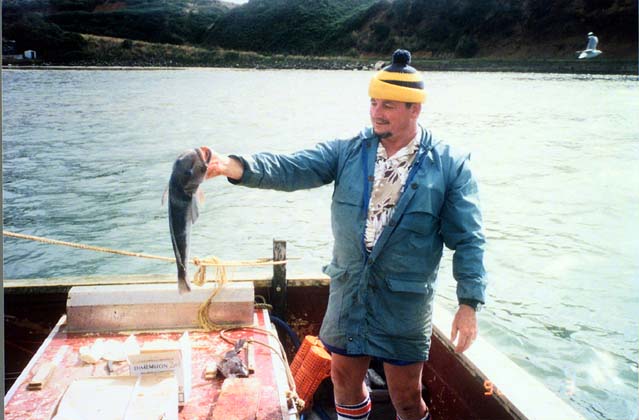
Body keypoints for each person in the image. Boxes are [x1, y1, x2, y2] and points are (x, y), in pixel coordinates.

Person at [202, 49, 486, 420]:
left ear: (414, 109)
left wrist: (469, 304)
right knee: (343, 380)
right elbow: (292, 168)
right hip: (350, 290)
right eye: (373, 103)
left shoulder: (450, 165)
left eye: (388, 105)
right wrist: (231, 166)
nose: (376, 113)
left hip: (405, 301)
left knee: (406, 397)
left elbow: (469, 239)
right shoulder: (348, 151)